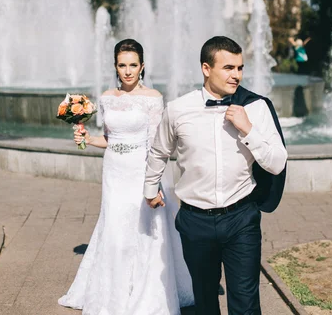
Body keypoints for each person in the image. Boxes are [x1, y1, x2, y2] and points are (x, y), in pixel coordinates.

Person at [144, 36, 288, 315]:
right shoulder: (178, 109)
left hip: (241, 218)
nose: (236, 75)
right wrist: (151, 189)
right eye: (229, 68)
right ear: (206, 69)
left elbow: (277, 163)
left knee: (245, 304)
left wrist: (248, 130)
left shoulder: (255, 108)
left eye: (240, 68)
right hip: (194, 220)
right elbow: (159, 151)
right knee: (205, 300)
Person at [58, 39, 193, 314]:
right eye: (122, 65)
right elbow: (109, 139)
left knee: (143, 229)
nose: (128, 71)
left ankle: (145, 292)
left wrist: (152, 183)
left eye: (133, 65)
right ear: (116, 67)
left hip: (140, 170)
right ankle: (114, 292)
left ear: (142, 66)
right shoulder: (107, 97)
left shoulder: (153, 98)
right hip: (114, 171)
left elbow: (156, 144)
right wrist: (87, 138)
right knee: (116, 230)